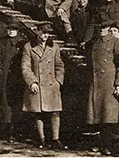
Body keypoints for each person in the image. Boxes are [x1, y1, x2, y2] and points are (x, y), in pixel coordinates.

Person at [21, 21, 67, 150]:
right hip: (37, 85)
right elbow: (25, 67)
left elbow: (59, 65)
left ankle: (55, 139)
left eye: (48, 33)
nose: (46, 35)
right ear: (37, 32)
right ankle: (42, 139)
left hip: (51, 84)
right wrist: (32, 82)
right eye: (43, 32)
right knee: (38, 113)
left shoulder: (54, 47)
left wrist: (58, 81)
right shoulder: (29, 47)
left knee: (55, 113)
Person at [85, 19, 119, 155]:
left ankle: (107, 145)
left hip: (109, 83)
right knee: (97, 115)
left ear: (109, 28)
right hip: (96, 82)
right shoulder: (95, 43)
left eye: (104, 27)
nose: (102, 30)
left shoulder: (115, 42)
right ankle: (98, 143)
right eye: (100, 27)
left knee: (108, 116)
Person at [0, 19, 26, 142]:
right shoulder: (1, 42)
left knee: (10, 107)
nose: (10, 31)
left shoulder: (21, 44)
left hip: (12, 80)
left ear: (17, 31)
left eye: (13, 29)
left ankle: (12, 133)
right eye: (9, 29)